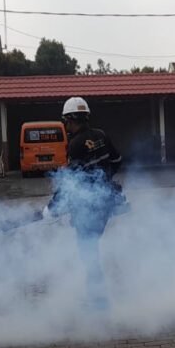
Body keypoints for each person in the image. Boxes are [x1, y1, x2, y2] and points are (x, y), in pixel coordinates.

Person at [45, 97, 125, 307]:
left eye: (66, 121)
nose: (65, 125)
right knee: (91, 247)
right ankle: (97, 296)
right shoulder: (101, 135)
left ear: (71, 119)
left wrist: (52, 207)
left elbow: (71, 182)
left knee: (88, 252)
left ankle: (98, 300)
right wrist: (104, 181)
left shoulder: (75, 144)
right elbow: (117, 161)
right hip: (105, 203)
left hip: (89, 207)